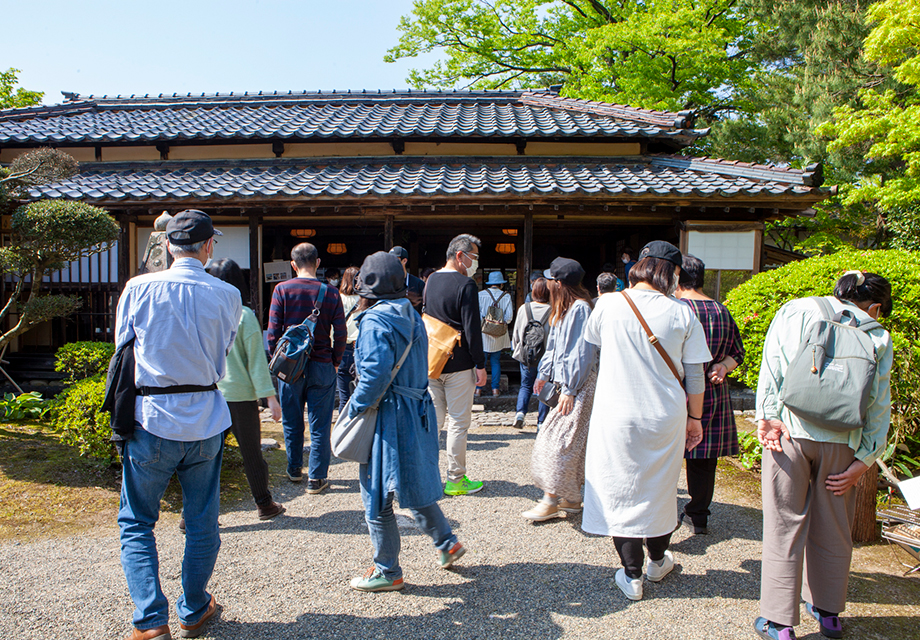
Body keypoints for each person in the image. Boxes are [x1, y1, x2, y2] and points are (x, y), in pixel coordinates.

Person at [115, 210, 241, 640]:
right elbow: (224, 350)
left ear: (168, 245)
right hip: (205, 415)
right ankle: (194, 606)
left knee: (137, 521)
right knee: (203, 519)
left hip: (152, 416)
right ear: (209, 248)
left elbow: (122, 349)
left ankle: (150, 621)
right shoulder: (227, 294)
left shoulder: (138, 288)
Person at [753, 271, 893, 640]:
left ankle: (780, 624)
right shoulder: (877, 334)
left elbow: (774, 367)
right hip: (843, 443)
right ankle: (828, 615)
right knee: (834, 528)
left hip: (789, 435)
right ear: (875, 306)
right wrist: (864, 460)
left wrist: (767, 418)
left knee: (784, 524)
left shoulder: (798, 311)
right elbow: (879, 406)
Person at [581, 240, 711, 602]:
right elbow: (695, 375)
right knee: (660, 487)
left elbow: (594, 344)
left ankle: (632, 574)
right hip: (665, 415)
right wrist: (696, 418)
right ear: (673, 273)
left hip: (615, 413)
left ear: (638, 265)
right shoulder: (682, 312)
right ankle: (657, 561)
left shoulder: (607, 304)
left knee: (619, 486)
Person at [347, 252, 467, 592]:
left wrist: (355, 409)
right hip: (418, 407)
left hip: (388, 413)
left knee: (376, 492)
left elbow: (372, 377)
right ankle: (446, 541)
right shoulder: (411, 314)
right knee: (412, 482)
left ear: (366, 286)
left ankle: (387, 570)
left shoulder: (374, 321)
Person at [205, 258, 286, 522]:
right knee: (251, 453)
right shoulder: (243, 314)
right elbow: (256, 361)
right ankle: (264, 504)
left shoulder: (202, 312)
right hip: (239, 396)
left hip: (207, 394)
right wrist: (270, 398)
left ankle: (193, 513)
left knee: (205, 458)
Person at [267, 243, 346, 494]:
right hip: (322, 364)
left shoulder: (281, 290)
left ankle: (293, 470)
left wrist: (278, 361)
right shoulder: (330, 293)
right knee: (320, 423)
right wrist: (335, 361)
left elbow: (272, 334)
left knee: (292, 421)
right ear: (318, 262)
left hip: (290, 367)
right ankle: (317, 477)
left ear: (293, 264)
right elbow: (341, 333)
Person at [674, 254, 744, 535]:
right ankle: (698, 515)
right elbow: (738, 353)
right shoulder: (721, 309)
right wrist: (723, 367)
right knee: (704, 459)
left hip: (678, 390)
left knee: (666, 455)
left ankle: (660, 516)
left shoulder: (676, 309)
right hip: (712, 393)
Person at [524, 258, 598, 521]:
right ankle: (570, 498)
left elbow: (582, 352)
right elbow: (553, 347)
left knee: (557, 442)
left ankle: (551, 499)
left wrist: (569, 389)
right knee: (571, 443)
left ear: (559, 283)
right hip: (567, 384)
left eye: (551, 279)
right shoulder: (564, 308)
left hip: (577, 386)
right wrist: (543, 373)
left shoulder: (579, 309)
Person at [424, 233, 487, 496]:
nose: (475, 263)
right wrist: (480, 365)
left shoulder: (430, 281)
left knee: (432, 422)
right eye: (473, 257)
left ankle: (425, 478)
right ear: (459, 255)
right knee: (459, 423)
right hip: (459, 363)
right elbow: (472, 328)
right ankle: (455, 479)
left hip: (432, 361)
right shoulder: (466, 284)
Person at [511, 276, 551, 429]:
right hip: (546, 354)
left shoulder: (524, 308)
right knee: (544, 386)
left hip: (527, 354)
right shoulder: (552, 310)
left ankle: (520, 413)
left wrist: (517, 349)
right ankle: (541, 421)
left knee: (525, 385)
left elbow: (517, 332)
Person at [477, 271, 514, 397]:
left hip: (483, 334)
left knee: (481, 362)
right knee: (495, 361)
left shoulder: (480, 295)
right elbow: (509, 318)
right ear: (501, 284)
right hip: (499, 334)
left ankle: (478, 389)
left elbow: (476, 316)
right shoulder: (506, 296)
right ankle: (495, 390)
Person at [337, 266, 361, 409]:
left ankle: (343, 429)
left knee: (344, 397)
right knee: (361, 394)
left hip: (342, 348)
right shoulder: (365, 299)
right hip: (359, 347)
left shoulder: (338, 299)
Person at [389, 245, 425, 313]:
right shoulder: (386, 283)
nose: (391, 262)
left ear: (404, 261)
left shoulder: (418, 284)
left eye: (395, 259)